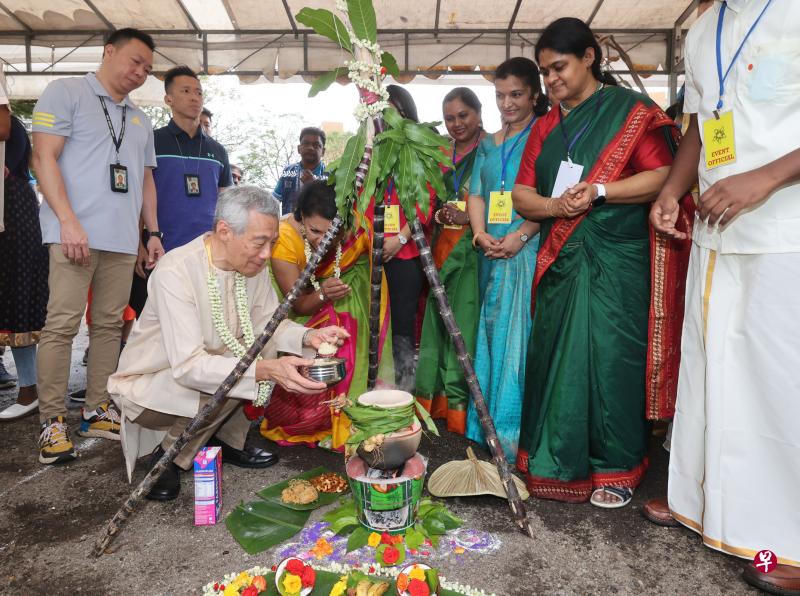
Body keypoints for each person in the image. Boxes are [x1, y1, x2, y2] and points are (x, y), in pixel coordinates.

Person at [645, 1, 800, 592]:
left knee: (780, 386)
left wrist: (765, 178)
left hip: (784, 230)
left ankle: (786, 542)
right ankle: (707, 507)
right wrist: (672, 191)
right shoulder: (703, 26)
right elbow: (700, 127)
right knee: (715, 374)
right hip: (716, 231)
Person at [512, 17, 690, 508]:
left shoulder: (630, 111)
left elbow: (667, 174)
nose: (551, 80)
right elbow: (522, 195)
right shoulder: (546, 126)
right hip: (561, 261)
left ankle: (617, 470)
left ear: (589, 57)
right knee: (556, 360)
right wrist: (555, 208)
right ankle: (553, 463)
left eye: (559, 67)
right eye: (545, 72)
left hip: (618, 260)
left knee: (611, 362)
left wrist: (600, 191)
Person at [108, 186, 349, 500]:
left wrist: (308, 336)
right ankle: (168, 456)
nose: (267, 254)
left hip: (205, 375)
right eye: (259, 242)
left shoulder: (251, 265)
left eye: (273, 242)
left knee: (255, 355)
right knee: (246, 370)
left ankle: (226, 442)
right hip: (154, 386)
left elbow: (267, 325)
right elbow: (190, 367)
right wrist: (266, 370)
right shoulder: (176, 272)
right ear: (224, 231)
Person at [31, 28, 165, 465]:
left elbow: (146, 179)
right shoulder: (65, 92)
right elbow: (43, 157)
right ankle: (52, 421)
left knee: (108, 325)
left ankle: (96, 407)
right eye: (134, 61)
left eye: (147, 67)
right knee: (62, 326)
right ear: (108, 52)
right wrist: (67, 222)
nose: (140, 72)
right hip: (73, 235)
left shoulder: (140, 119)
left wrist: (153, 233)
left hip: (122, 240)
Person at [263, 180, 393, 449]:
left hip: (344, 289)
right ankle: (317, 418)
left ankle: (355, 412)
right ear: (300, 216)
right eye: (314, 231)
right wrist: (323, 294)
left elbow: (363, 250)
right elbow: (297, 306)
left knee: (348, 334)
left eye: (332, 233)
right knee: (327, 344)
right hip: (302, 307)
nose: (323, 240)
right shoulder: (284, 240)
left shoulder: (353, 223)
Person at [462, 58, 545, 463]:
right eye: (500, 95)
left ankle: (514, 435)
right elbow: (476, 192)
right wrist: (479, 235)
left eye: (516, 94)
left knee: (519, 341)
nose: (507, 103)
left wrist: (520, 235)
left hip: (526, 249)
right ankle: (487, 428)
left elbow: (553, 198)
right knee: (491, 336)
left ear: (533, 94)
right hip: (490, 252)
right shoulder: (488, 143)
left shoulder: (545, 136)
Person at [415, 87, 485, 434]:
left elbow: (500, 200)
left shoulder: (491, 148)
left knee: (466, 324)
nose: (456, 124)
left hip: (475, 250)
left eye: (463, 116)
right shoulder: (441, 153)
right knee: (439, 325)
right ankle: (436, 407)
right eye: (449, 118)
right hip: (440, 247)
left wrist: (470, 219)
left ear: (478, 113)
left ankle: (463, 412)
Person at [367, 84, 435, 392]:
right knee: (372, 321)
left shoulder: (419, 150)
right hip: (373, 251)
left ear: (406, 114)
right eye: (381, 112)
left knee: (403, 324)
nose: (386, 118)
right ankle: (373, 386)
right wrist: (373, 242)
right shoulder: (369, 152)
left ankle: (404, 389)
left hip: (405, 253)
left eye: (393, 111)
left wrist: (401, 239)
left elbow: (427, 202)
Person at [0, 115, 48, 421]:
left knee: (17, 301)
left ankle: (29, 388)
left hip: (13, 215)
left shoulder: (9, 124)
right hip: (14, 210)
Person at [273, 127, 328, 215]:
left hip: (320, 228)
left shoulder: (332, 175)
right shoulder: (288, 171)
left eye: (316, 145)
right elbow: (274, 201)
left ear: (323, 151)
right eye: (306, 143)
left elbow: (335, 207)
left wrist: (313, 187)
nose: (310, 148)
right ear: (299, 148)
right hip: (289, 227)